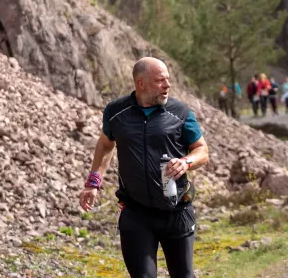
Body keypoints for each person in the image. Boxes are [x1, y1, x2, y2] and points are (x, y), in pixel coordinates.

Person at [78, 57, 209, 278]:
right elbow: (106, 144)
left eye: (168, 80)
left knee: (184, 275)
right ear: (141, 83)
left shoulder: (180, 112)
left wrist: (186, 162)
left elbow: (202, 150)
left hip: (176, 211)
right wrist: (93, 183)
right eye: (160, 81)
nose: (167, 85)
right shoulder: (116, 112)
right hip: (136, 212)